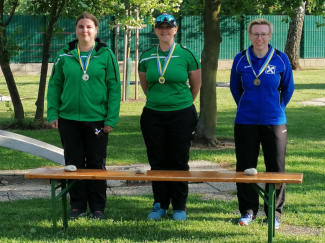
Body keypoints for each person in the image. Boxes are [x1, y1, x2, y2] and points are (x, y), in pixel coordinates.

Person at [47, 12, 121, 220]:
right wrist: (53, 112)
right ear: (76, 30)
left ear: (96, 31)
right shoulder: (64, 55)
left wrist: (110, 119)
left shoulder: (106, 55)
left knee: (96, 163)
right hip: (69, 119)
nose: (85, 30)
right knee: (73, 164)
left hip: (97, 119)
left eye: (89, 27)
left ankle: (97, 208)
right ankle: (77, 206)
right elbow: (55, 86)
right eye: (81, 26)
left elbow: (114, 88)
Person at [230, 18, 294, 229]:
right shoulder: (240, 59)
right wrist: (245, 107)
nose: (260, 38)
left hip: (274, 121)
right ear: (250, 35)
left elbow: (288, 88)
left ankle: (274, 213)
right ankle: (248, 211)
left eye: (264, 34)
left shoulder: (280, 59)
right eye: (256, 34)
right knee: (246, 168)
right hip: (245, 122)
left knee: (276, 168)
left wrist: (278, 109)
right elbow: (235, 88)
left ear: (270, 35)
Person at [138, 13, 201, 221]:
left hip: (181, 114)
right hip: (153, 115)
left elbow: (195, 85)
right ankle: (160, 204)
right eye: (160, 27)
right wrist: (159, 101)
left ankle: (180, 206)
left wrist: (179, 103)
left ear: (175, 30)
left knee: (179, 159)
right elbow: (146, 86)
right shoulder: (146, 56)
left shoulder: (186, 55)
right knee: (157, 160)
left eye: (169, 27)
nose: (164, 30)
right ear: (155, 30)